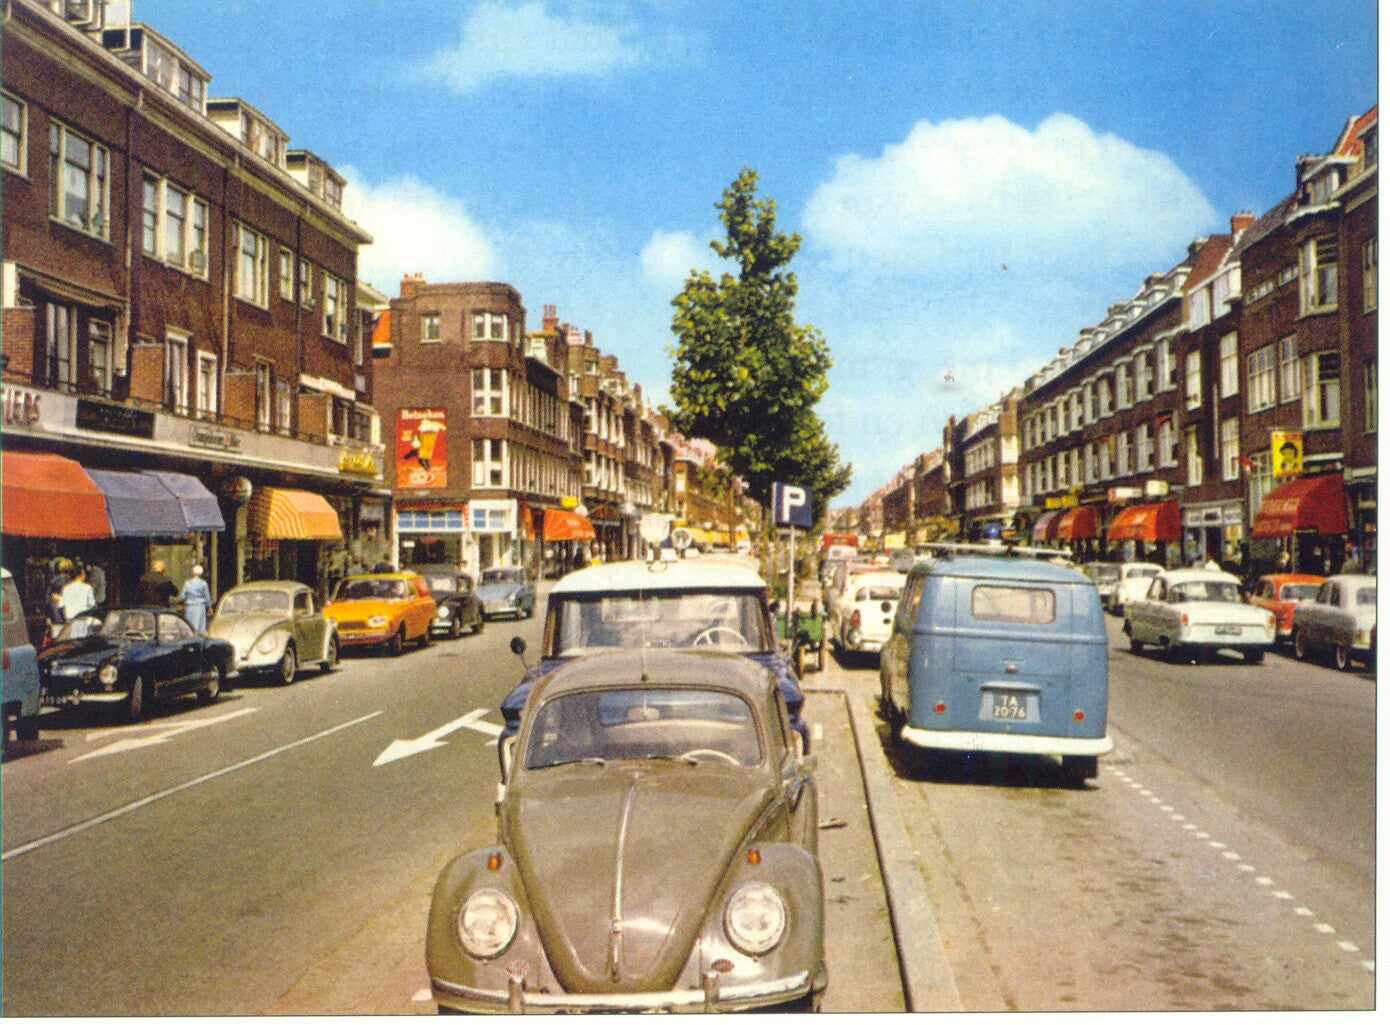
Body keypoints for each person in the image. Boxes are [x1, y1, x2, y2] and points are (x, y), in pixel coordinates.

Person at [180, 565, 212, 634]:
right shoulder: (203, 583)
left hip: (190, 606)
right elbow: (207, 596)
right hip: (200, 605)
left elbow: (182, 596)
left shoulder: (187, 583)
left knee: (190, 624)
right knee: (200, 625)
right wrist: (209, 607)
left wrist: (181, 602)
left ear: (193, 573)